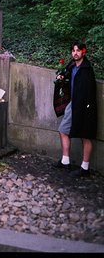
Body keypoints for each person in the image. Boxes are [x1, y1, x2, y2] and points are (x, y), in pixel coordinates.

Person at [53, 41, 98, 177]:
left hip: (85, 107)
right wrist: (61, 77)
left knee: (86, 136)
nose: (75, 53)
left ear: (83, 52)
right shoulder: (71, 65)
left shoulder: (87, 69)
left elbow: (90, 91)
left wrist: (87, 109)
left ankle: (85, 168)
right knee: (63, 130)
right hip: (73, 104)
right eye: (73, 51)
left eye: (78, 51)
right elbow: (66, 76)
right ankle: (65, 161)